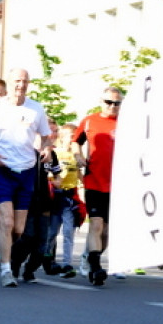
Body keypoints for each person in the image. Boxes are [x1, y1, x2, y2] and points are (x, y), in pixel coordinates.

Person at [0, 67, 53, 288]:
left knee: (19, 229)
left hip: (27, 171)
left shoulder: (36, 108)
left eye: (24, 81)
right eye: (17, 81)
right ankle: (5, 270)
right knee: (6, 220)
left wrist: (47, 149)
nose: (21, 85)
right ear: (9, 83)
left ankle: (11, 259)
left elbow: (46, 137)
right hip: (3, 169)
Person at [72, 86, 124, 285]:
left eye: (117, 103)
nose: (112, 107)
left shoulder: (127, 123)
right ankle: (96, 267)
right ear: (101, 102)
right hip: (94, 180)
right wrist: (78, 156)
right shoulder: (89, 121)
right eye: (108, 102)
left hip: (117, 184)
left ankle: (90, 256)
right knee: (96, 224)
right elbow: (76, 141)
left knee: (107, 232)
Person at [49, 122, 82, 277]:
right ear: (62, 137)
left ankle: (67, 264)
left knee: (69, 232)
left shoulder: (76, 156)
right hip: (56, 196)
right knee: (52, 232)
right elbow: (50, 173)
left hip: (70, 197)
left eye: (75, 137)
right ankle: (48, 258)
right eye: (71, 136)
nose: (73, 139)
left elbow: (79, 174)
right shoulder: (56, 153)